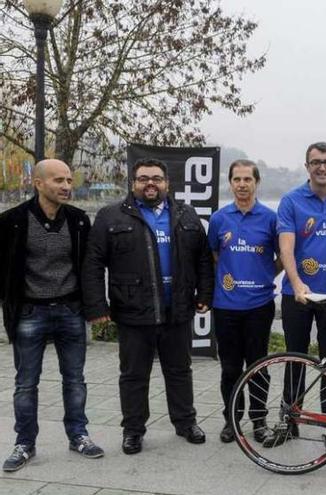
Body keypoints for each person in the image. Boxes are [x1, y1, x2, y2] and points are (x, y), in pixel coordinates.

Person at [83, 157, 214, 455]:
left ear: (167, 183)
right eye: (143, 178)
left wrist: (205, 293)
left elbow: (203, 259)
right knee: (133, 375)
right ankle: (133, 431)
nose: (150, 183)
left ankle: (185, 422)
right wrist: (96, 306)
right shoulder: (110, 216)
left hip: (176, 311)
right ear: (134, 183)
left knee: (180, 370)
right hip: (132, 312)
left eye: (156, 178)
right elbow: (93, 264)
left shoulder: (187, 215)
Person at [0, 159, 103, 472]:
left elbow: (89, 267)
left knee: (75, 380)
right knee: (25, 384)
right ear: (39, 183)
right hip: (30, 312)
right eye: (58, 180)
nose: (67, 186)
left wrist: (95, 308)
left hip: (70, 310)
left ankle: (78, 435)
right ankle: (24, 443)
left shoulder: (78, 220)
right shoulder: (12, 221)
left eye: (69, 180)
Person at [268, 141, 326, 446]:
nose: (322, 167)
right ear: (306, 166)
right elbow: (286, 247)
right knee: (295, 357)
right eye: (316, 161)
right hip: (299, 295)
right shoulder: (291, 200)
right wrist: (296, 283)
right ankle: (289, 419)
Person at [207, 160, 277, 443]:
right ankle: (232, 420)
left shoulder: (271, 219)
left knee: (258, 366)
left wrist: (265, 273)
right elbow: (214, 255)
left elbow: (284, 255)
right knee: (230, 368)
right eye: (237, 179)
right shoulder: (219, 219)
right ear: (230, 183)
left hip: (260, 305)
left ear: (256, 182)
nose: (242, 184)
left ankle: (259, 421)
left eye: (248, 179)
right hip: (226, 306)